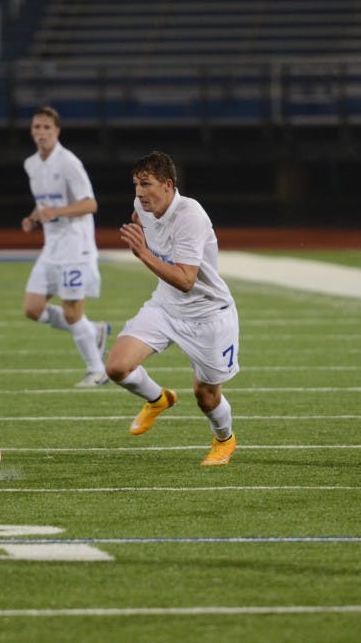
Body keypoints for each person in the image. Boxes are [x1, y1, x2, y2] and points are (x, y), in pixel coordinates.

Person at [105, 150, 239, 466]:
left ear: (167, 185)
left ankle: (225, 440)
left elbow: (186, 280)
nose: (139, 192)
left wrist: (143, 253)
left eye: (146, 184)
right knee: (117, 367)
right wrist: (142, 233)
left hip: (208, 314)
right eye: (136, 184)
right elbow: (141, 221)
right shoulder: (143, 206)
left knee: (206, 396)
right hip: (165, 307)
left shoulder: (190, 216)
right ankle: (159, 399)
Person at [21, 105, 110, 387]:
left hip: (76, 248)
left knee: (72, 312)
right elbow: (47, 203)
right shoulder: (31, 164)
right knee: (32, 308)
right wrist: (35, 216)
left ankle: (98, 371)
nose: (42, 132)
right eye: (37, 127)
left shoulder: (69, 162)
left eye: (47, 127)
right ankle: (92, 330)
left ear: (57, 131)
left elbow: (90, 204)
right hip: (52, 248)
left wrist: (56, 212)